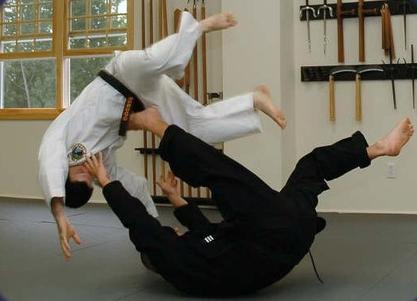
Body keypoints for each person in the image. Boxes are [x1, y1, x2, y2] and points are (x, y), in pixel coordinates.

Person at [84, 107, 414, 296]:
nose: (177, 231)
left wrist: (175, 198)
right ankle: (154, 123)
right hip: (269, 237)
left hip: (291, 234)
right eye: (173, 232)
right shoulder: (172, 260)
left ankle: (379, 148)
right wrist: (106, 181)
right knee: (221, 175)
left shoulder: (196, 256)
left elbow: (200, 228)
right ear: (160, 252)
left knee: (310, 166)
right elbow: (138, 222)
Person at [38, 11, 286, 260]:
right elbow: (135, 189)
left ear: (64, 172)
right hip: (142, 99)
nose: (86, 170)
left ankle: (198, 27)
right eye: (88, 179)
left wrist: (59, 213)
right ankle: (253, 100)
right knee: (193, 131)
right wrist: (156, 227)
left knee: (155, 60)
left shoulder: (62, 139)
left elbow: (49, 160)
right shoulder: (102, 166)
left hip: (118, 76)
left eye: (77, 172)